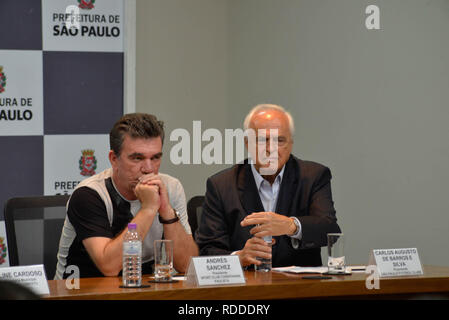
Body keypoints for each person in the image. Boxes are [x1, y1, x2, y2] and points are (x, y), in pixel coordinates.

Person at [195, 104, 341, 268]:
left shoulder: (313, 176)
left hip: (300, 288)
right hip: (246, 288)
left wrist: (292, 226)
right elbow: (207, 251)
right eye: (262, 140)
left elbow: (330, 229)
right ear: (247, 143)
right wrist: (239, 257)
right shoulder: (221, 185)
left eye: (280, 140)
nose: (271, 149)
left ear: (291, 144)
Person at [55, 113, 198, 279]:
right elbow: (109, 267)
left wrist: (166, 211)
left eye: (156, 157)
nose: (148, 168)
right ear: (114, 159)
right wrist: (149, 209)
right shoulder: (89, 194)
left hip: (141, 292)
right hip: (81, 292)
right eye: (137, 158)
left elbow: (187, 266)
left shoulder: (171, 188)